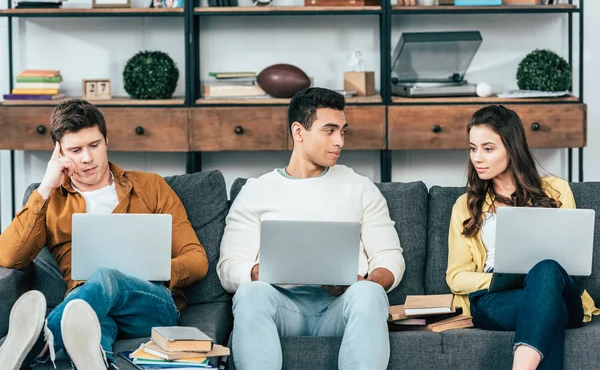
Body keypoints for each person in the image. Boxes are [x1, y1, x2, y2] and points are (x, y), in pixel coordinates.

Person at [0, 99, 209, 369]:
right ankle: (98, 360)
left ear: (106, 140)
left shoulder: (151, 187)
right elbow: (9, 257)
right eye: (75, 150)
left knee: (105, 275)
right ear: (59, 153)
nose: (87, 158)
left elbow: (197, 259)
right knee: (89, 328)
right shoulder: (49, 200)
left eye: (94, 145)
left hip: (150, 304)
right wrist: (46, 187)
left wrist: (153, 269)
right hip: (84, 305)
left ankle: (39, 340)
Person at [217, 87, 405, 370]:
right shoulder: (256, 191)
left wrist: (366, 282)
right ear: (298, 131)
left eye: (343, 131)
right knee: (249, 293)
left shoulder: (359, 187)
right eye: (329, 130)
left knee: (369, 294)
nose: (339, 141)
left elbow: (390, 257)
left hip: (340, 307)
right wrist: (261, 271)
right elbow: (228, 267)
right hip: (283, 306)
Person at [446, 104, 600, 370]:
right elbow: (456, 276)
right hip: (498, 300)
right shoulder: (466, 204)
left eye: (488, 148)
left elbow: (573, 258)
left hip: (559, 292)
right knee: (546, 311)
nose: (477, 158)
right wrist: (500, 279)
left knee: (547, 270)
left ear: (512, 147)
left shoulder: (557, 190)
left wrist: (534, 278)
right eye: (473, 148)